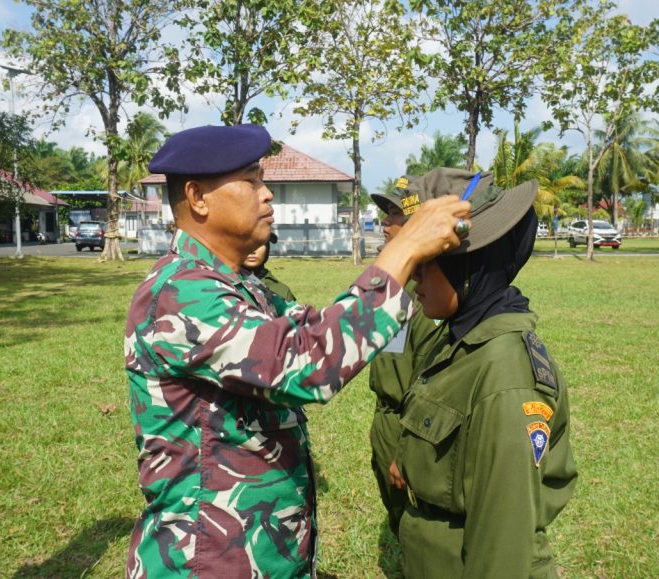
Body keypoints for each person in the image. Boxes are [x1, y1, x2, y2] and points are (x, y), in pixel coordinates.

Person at [123, 124, 471, 578]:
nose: (267, 194)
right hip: (207, 561)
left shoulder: (238, 285)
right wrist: (403, 250)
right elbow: (310, 363)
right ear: (197, 197)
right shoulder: (181, 293)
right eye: (251, 181)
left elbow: (317, 327)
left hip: (252, 553)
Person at [389, 168, 578, 578]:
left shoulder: (506, 376)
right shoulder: (457, 341)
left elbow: (502, 541)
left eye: (426, 263)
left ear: (468, 267)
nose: (413, 276)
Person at [365, 175, 448, 535]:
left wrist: (406, 449)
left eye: (394, 215)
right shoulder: (391, 286)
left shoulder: (428, 294)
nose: (385, 222)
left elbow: (433, 380)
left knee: (418, 528)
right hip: (386, 418)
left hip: (409, 425)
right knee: (399, 520)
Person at [242, 231, 296, 302]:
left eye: (259, 244)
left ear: (267, 249)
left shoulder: (282, 292)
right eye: (245, 243)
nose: (252, 251)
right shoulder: (227, 285)